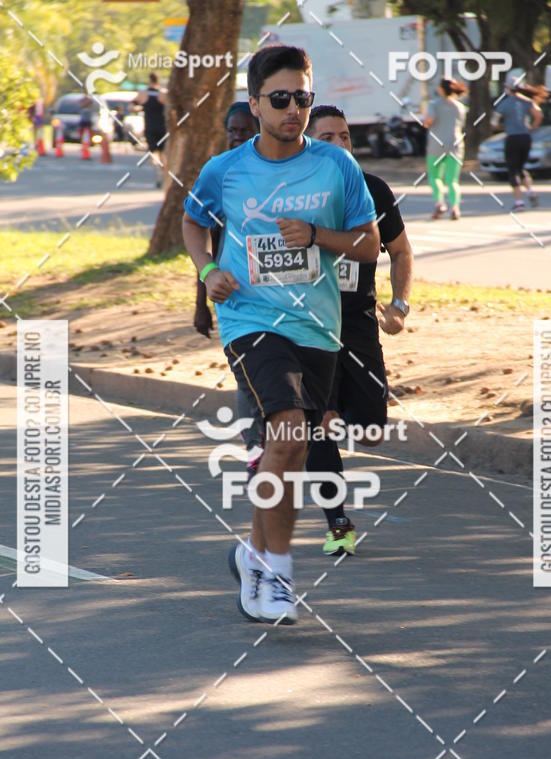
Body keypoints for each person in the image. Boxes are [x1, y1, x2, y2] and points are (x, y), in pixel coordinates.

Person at [182, 45, 380, 625]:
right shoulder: (225, 170)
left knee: (285, 451)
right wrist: (207, 270)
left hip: (317, 327)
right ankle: (277, 574)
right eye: (281, 99)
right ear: (255, 103)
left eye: (303, 98)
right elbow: (193, 222)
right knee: (290, 434)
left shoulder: (336, 166)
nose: (294, 109)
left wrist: (318, 234)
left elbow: (369, 244)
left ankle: (251, 555)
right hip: (249, 319)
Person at [238, 105, 413, 555]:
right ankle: (338, 523)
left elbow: (399, 251)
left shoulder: (371, 189)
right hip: (306, 325)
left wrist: (399, 304)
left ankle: (296, 437)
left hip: (356, 323)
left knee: (372, 426)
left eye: (346, 137)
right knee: (315, 425)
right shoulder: (293, 192)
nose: (340, 146)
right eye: (329, 138)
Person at [193, 102, 259, 339]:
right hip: (235, 292)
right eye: (232, 131)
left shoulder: (275, 174)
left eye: (245, 131)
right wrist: (201, 306)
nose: (237, 137)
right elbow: (208, 245)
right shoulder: (219, 177)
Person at [496, 75, 544, 211]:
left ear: (508, 88)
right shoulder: (528, 102)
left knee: (512, 170)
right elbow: (539, 115)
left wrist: (502, 126)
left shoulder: (504, 104)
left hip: (512, 137)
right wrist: (532, 127)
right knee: (521, 167)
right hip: (525, 137)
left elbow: (494, 122)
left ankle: (519, 202)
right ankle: (530, 191)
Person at [423, 79, 467, 220]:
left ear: (441, 89)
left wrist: (425, 122)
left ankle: (440, 203)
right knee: (452, 180)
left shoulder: (434, 104)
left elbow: (429, 120)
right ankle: (455, 207)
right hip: (455, 145)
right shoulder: (459, 106)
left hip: (436, 145)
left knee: (435, 177)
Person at [135, 73, 167, 187]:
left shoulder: (143, 93)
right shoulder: (163, 94)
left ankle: (158, 170)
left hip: (150, 126)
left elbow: (132, 106)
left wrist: (141, 108)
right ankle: (163, 173)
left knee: (152, 152)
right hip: (162, 127)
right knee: (163, 153)